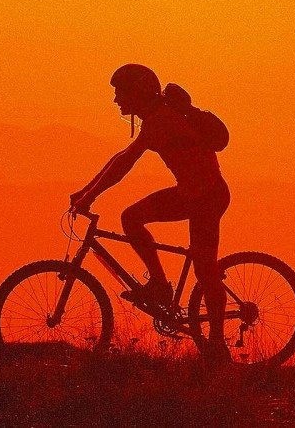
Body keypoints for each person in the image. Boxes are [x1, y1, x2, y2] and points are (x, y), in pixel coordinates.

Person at [69, 64, 232, 363]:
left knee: (205, 269)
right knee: (131, 218)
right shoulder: (156, 118)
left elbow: (124, 163)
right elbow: (120, 159)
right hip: (188, 195)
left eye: (121, 92)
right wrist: (85, 193)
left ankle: (218, 344)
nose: (117, 100)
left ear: (139, 91)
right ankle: (160, 285)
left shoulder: (162, 120)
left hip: (208, 198)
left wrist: (88, 196)